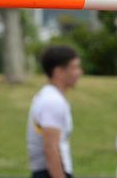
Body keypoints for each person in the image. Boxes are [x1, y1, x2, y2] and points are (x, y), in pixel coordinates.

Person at [27, 45, 83, 178]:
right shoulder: (52, 101)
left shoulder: (49, 96)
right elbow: (50, 149)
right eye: (74, 67)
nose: (80, 72)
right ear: (59, 71)